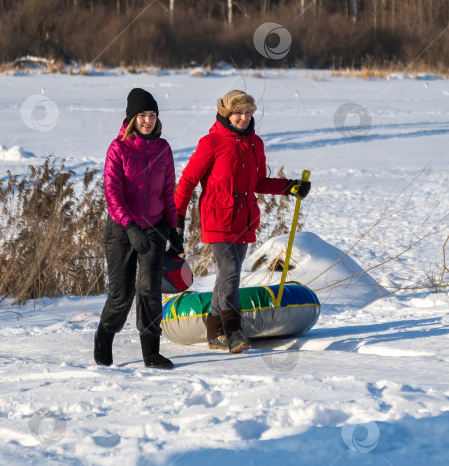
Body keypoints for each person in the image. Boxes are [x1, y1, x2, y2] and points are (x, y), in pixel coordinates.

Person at [174, 90, 311, 354]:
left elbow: (259, 181)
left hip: (244, 219)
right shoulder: (211, 142)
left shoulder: (255, 144)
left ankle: (215, 333)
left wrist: (290, 187)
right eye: (239, 112)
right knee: (231, 269)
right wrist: (177, 217)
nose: (244, 118)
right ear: (227, 113)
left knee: (227, 275)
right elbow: (189, 180)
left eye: (248, 113)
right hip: (217, 217)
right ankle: (233, 331)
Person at [94, 88, 184, 369]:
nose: (148, 120)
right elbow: (112, 193)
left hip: (155, 228)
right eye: (142, 115)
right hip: (122, 230)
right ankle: (104, 336)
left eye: (153, 115)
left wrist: (173, 229)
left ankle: (151, 353)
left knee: (149, 290)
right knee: (122, 294)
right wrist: (130, 225)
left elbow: (169, 191)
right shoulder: (118, 148)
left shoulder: (163, 148)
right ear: (132, 118)